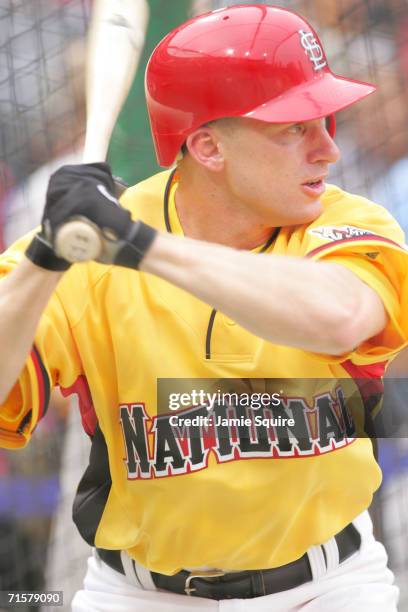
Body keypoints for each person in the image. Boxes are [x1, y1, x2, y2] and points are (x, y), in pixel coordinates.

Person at [0, 4, 407, 611]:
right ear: (209, 147)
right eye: (294, 127)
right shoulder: (90, 245)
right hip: (136, 593)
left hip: (327, 586)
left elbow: (340, 318)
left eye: (326, 121)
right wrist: (43, 257)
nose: (328, 151)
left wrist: (138, 246)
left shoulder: (346, 221)